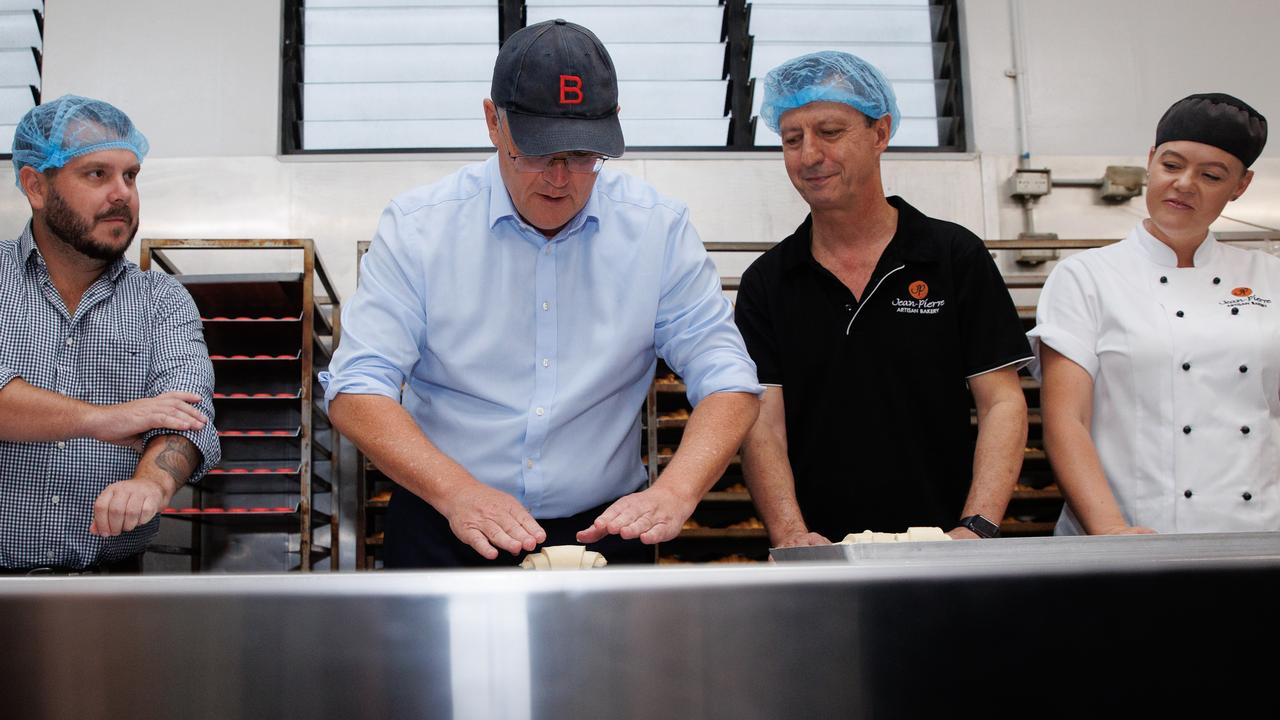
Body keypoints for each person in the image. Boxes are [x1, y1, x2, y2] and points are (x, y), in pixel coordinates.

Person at [324, 20, 762, 568]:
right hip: (448, 520)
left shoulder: (658, 230)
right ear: (493, 122)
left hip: (605, 531)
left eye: (582, 156)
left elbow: (729, 379)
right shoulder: (419, 229)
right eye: (537, 153)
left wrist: (677, 491)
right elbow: (357, 389)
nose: (560, 178)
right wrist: (456, 490)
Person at [734, 52, 1031, 547]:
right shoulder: (768, 281)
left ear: (880, 133)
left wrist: (976, 525)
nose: (809, 155)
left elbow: (1002, 401)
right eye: (792, 139)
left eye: (829, 132)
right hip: (823, 553)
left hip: (944, 544)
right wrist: (791, 534)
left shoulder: (953, 257)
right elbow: (764, 421)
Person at [1031, 93, 1273, 535]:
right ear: (1150, 162)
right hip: (1128, 535)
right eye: (1172, 165)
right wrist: (1112, 533)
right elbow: (1067, 421)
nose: (1184, 184)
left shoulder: (1269, 276)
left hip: (1257, 533)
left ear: (1241, 186)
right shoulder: (1085, 277)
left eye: (1212, 175)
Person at [0, 95, 220, 573]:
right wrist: (105, 420)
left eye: (131, 176)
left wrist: (151, 484)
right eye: (97, 174)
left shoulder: (162, 300)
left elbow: (187, 419)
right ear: (36, 186)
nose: (122, 193)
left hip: (106, 588)